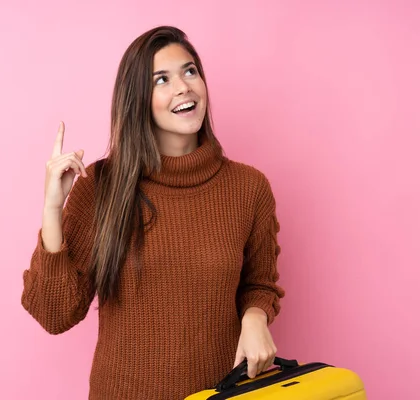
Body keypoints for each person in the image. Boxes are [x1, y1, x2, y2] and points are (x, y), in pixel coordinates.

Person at [20, 25, 285, 399]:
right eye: (161, 79)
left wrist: (256, 316)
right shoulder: (103, 186)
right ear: (138, 99)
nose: (183, 87)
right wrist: (52, 208)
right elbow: (54, 314)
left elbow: (259, 285)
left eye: (189, 71)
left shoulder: (248, 188)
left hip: (220, 393)